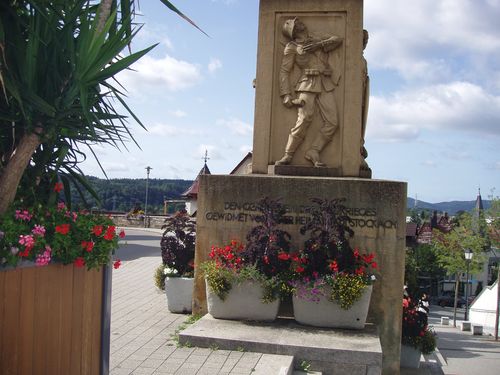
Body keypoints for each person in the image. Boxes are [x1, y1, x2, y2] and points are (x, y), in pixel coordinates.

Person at [275, 18, 343, 167]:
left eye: (299, 22)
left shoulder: (316, 38)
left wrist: (318, 45)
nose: (301, 24)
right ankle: (288, 154)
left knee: (332, 122)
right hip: (307, 83)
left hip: (325, 84)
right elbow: (284, 71)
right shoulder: (291, 47)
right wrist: (286, 94)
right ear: (293, 32)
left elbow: (338, 39)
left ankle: (314, 150)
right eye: (297, 24)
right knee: (305, 119)